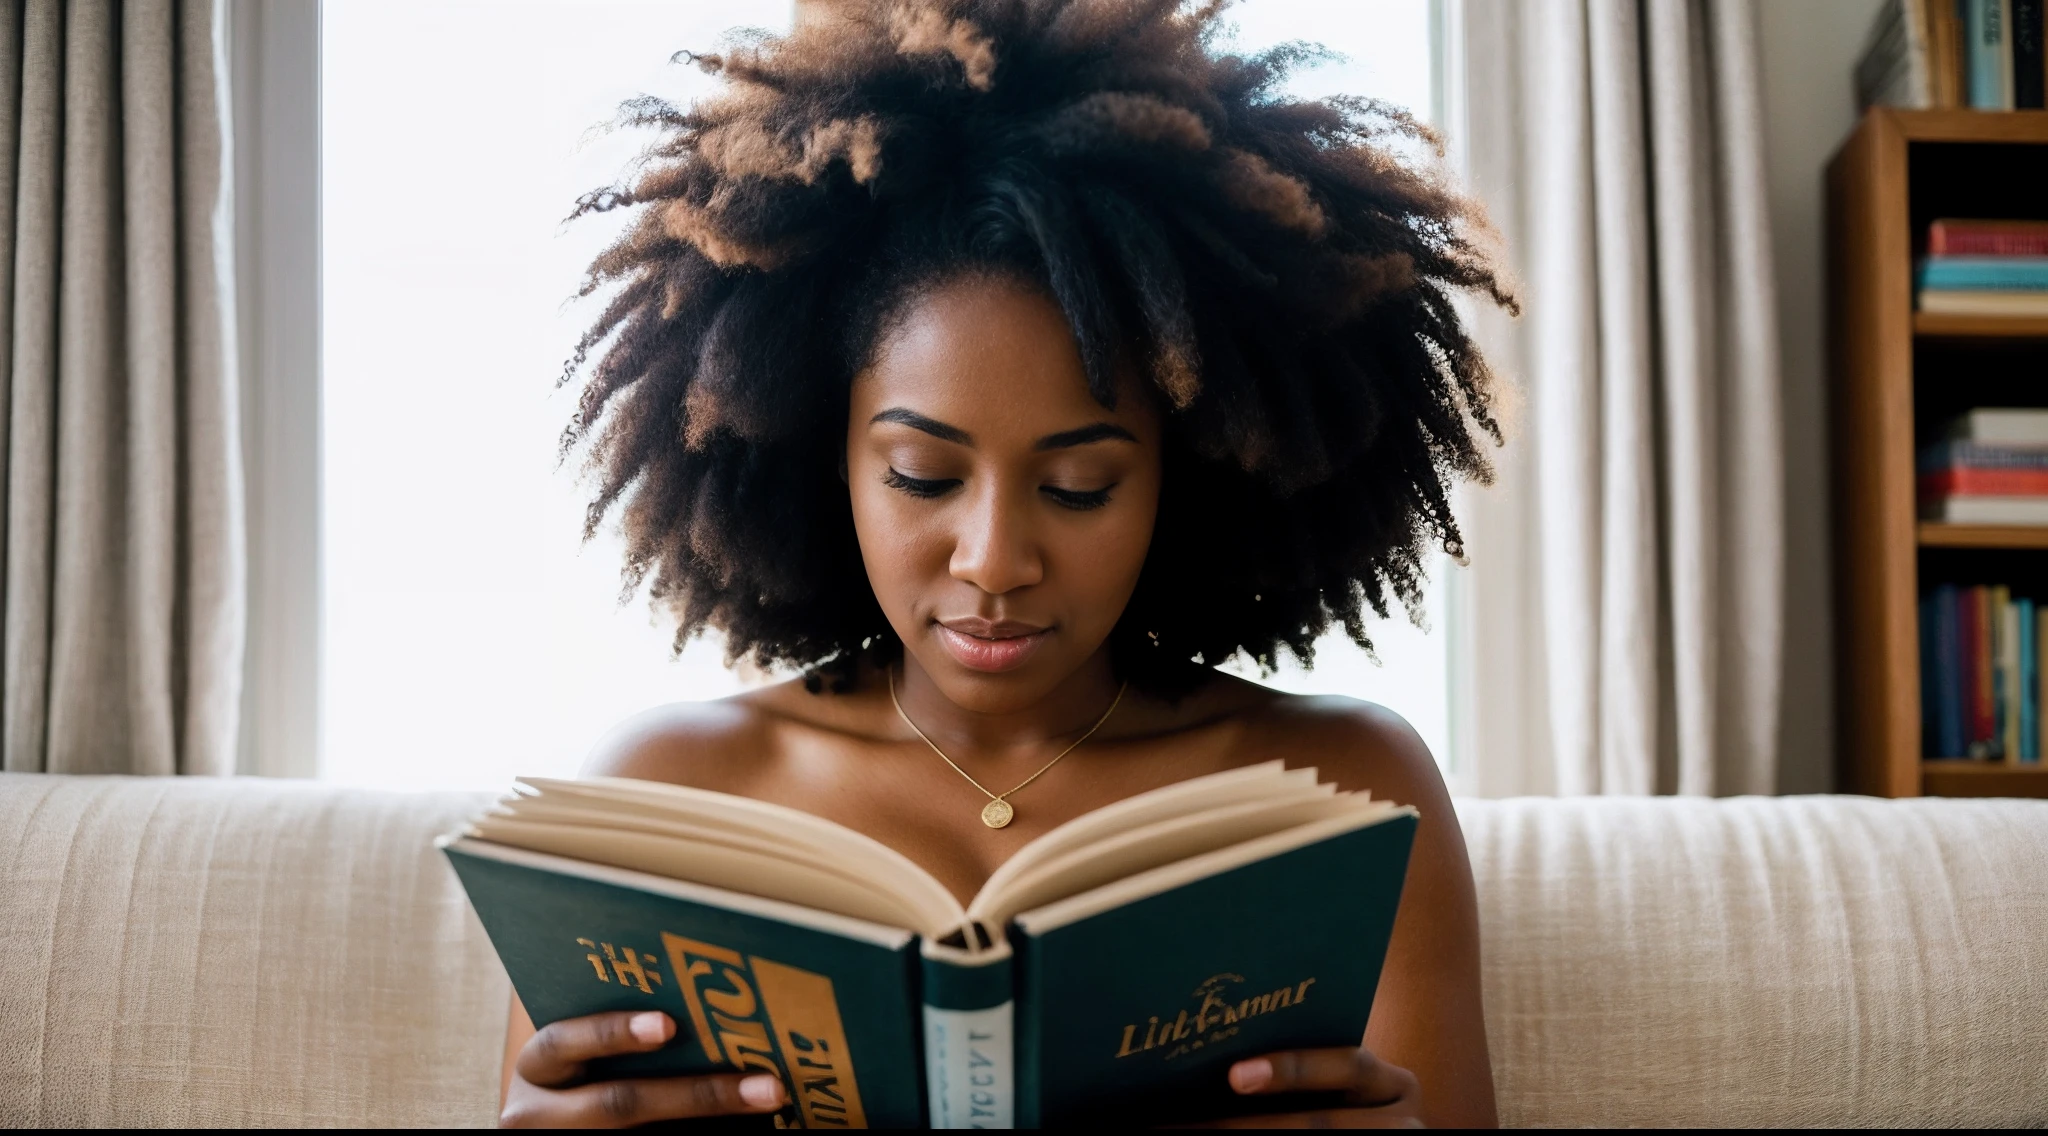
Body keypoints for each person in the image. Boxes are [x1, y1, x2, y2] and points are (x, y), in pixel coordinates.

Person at [500, 0, 1513, 1126]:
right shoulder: (663, 797)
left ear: (1192, 472)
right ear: (816, 452)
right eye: (923, 477)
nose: (993, 561)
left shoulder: (1344, 797)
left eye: (1078, 487)